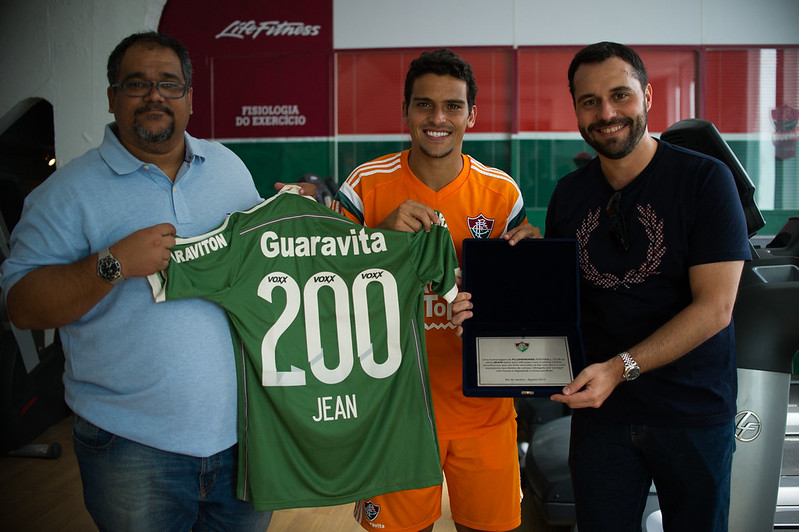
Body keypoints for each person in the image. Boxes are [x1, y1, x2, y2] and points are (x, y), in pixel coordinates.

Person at [0, 31, 309, 531]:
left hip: (244, 437)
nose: (155, 96)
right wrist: (113, 263)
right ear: (112, 97)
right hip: (130, 448)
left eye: (169, 84)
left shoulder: (227, 167)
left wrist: (295, 219)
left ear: (190, 96)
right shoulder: (64, 194)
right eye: (136, 84)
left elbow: (262, 263)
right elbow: (23, 307)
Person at [544, 41, 751, 531]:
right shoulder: (570, 195)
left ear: (648, 97)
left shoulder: (704, 180)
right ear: (575, 107)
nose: (607, 113)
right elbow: (558, 303)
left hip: (691, 413)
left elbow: (715, 308)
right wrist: (514, 274)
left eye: (621, 95)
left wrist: (619, 368)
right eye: (589, 101)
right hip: (602, 417)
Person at [333, 48, 540, 532]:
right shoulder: (365, 187)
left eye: (453, 105)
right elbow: (327, 291)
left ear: (472, 114)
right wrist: (379, 239)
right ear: (405, 112)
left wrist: (530, 261)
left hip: (483, 410)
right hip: (394, 411)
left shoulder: (501, 193)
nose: (438, 118)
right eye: (424, 105)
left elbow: (520, 303)